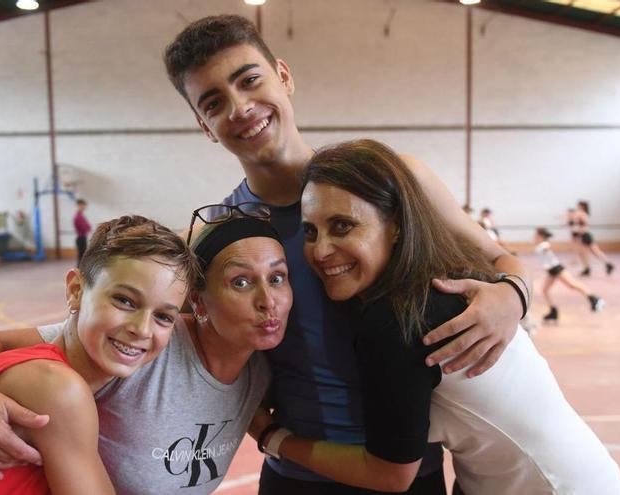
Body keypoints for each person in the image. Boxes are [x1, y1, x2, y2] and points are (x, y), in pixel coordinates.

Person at [164, 15, 531, 493]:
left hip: (409, 469)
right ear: (204, 126)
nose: (240, 108)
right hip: (297, 473)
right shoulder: (218, 235)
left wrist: (512, 298)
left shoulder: (396, 182)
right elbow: (147, 327)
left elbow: (502, 260)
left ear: (284, 76)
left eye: (249, 80)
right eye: (214, 103)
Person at [251, 139, 620, 494]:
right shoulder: (446, 276)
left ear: (395, 224)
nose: (320, 250)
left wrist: (273, 437)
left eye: (343, 226)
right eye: (311, 232)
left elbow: (390, 473)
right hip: (576, 474)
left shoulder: (397, 320)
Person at [0, 213, 289, 494]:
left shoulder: (63, 374)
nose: (142, 329)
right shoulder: (57, 387)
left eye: (162, 316)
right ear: (75, 290)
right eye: (124, 300)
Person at [534, 227, 604, 323]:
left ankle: (594, 299)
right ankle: (553, 311)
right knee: (545, 290)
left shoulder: (544, 244)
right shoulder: (541, 245)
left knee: (572, 284)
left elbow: (548, 248)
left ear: (540, 235)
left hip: (556, 268)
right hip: (551, 271)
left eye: (536, 234)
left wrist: (548, 249)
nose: (534, 236)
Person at [573, 201, 614, 276]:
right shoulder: (581, 213)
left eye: (579, 205)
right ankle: (589, 268)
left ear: (582, 206)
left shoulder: (582, 214)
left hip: (584, 235)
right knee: (586, 252)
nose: (577, 206)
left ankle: (589, 268)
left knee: (590, 252)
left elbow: (584, 224)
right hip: (583, 235)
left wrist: (578, 229)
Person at [74, 198, 92, 266]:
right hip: (81, 238)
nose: (84, 207)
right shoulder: (78, 216)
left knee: (82, 257)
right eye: (83, 205)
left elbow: (87, 226)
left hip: (83, 237)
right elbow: (84, 227)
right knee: (81, 257)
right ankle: (78, 272)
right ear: (79, 205)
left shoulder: (81, 215)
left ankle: (79, 271)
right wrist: (87, 227)